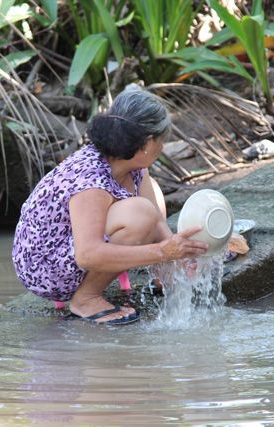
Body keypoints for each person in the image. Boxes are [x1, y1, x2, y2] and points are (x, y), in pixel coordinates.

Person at [12, 85, 208, 325]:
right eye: (162, 140)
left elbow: (156, 219)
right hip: (46, 267)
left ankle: (160, 277)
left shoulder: (130, 163)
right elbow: (87, 255)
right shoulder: (90, 181)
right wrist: (162, 252)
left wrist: (175, 263)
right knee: (140, 213)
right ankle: (85, 299)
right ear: (146, 143)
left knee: (150, 201)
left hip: (73, 245)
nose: (163, 147)